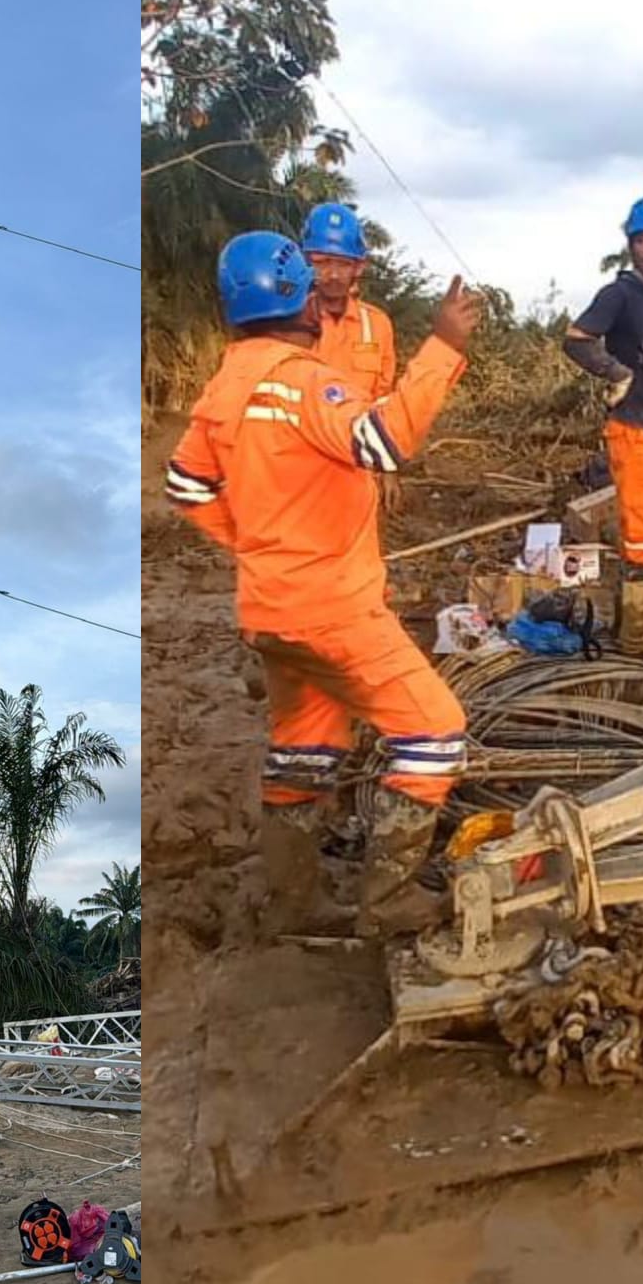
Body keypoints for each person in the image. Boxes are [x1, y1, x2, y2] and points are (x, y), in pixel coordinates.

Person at [167, 231, 481, 938]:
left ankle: (294, 904)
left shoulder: (224, 390)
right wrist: (445, 347)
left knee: (303, 751)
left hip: (270, 610)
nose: (322, 298)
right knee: (435, 735)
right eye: (312, 285)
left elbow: (185, 483)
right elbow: (380, 442)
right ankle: (389, 899)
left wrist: (253, 542)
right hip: (333, 609)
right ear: (294, 297)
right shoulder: (306, 381)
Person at [563, 196, 643, 651]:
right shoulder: (620, 294)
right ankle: (638, 638)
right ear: (630, 245)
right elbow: (577, 340)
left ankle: (630, 626)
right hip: (634, 427)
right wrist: (616, 373)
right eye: (642, 240)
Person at [301, 202, 404, 513]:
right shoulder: (288, 323)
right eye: (322, 262)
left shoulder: (378, 326)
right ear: (307, 262)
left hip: (357, 472)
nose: (332, 274)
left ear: (359, 267)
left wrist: (388, 469)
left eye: (342, 264)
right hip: (300, 474)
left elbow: (384, 401)